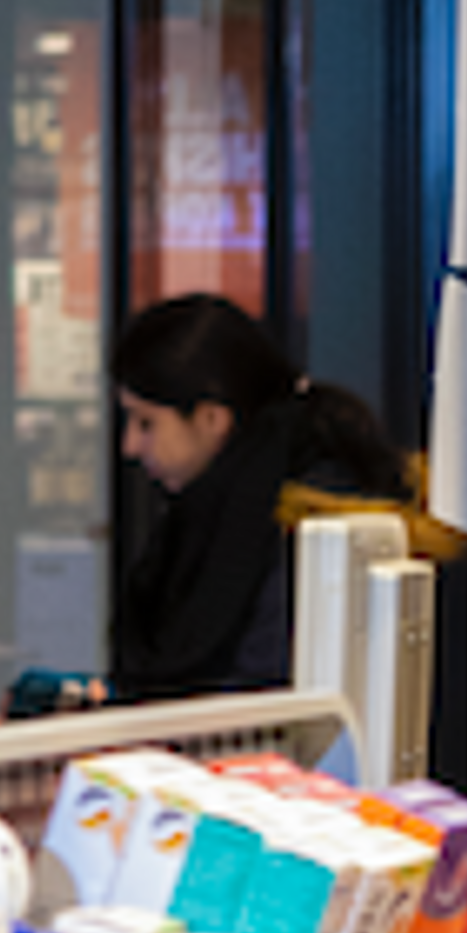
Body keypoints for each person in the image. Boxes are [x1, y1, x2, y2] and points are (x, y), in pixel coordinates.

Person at [111, 295, 407, 710]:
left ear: (212, 419)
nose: (130, 445)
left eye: (146, 423)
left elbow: (260, 694)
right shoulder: (223, 502)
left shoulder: (305, 514)